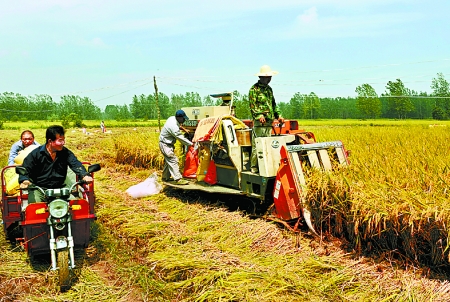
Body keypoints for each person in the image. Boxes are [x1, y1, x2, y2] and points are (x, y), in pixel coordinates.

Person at [18, 125, 93, 202]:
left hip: (61, 189)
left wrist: (85, 175)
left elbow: (76, 164)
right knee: (34, 209)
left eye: (64, 140)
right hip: (39, 189)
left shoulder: (65, 152)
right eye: (60, 140)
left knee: (75, 208)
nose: (63, 143)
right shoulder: (36, 154)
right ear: (50, 141)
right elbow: (25, 169)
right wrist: (24, 180)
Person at [248, 65, 284, 174]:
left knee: (268, 145)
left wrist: (279, 116)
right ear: (261, 77)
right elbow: (252, 105)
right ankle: (254, 167)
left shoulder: (269, 90)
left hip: (269, 122)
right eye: (267, 77)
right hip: (260, 124)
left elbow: (273, 105)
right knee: (258, 145)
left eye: (270, 77)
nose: (269, 79)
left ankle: (266, 167)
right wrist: (259, 116)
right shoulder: (254, 90)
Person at [159, 110, 193, 185]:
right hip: (165, 145)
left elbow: (178, 126)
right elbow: (180, 138)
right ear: (179, 117)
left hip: (167, 144)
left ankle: (165, 177)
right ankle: (178, 179)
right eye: (183, 118)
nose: (184, 120)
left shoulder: (172, 118)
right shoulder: (173, 127)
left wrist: (184, 129)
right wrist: (191, 144)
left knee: (168, 162)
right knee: (173, 160)